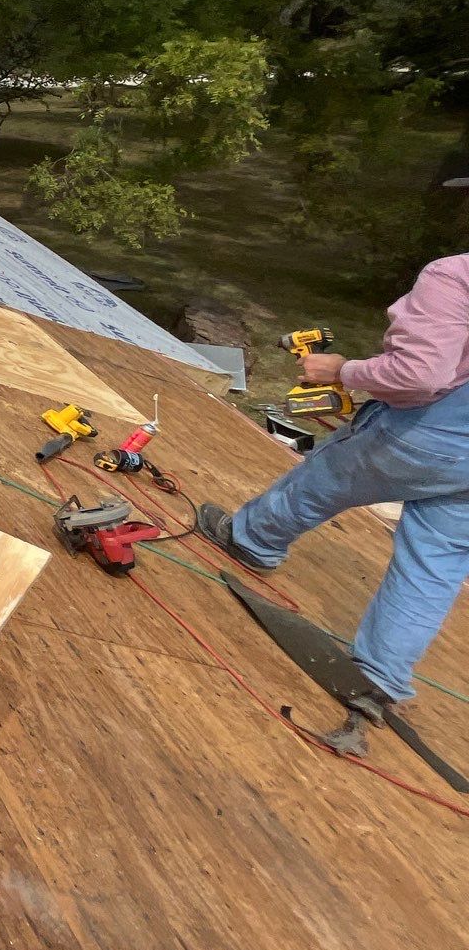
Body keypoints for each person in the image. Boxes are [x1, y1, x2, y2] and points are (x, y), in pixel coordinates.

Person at [196, 253, 469, 721]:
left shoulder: (456, 274)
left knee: (323, 479)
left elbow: (419, 375)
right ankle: (379, 676)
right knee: (434, 566)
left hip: (425, 435)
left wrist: (343, 372)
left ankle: (251, 539)